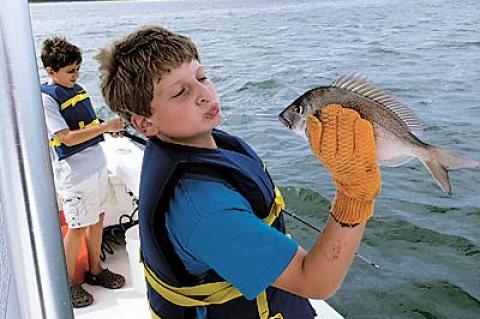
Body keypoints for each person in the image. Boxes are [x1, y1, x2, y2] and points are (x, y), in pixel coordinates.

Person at [95, 26, 381, 319]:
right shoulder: (205, 212)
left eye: (201, 76)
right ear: (144, 125)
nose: (204, 93)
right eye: (181, 92)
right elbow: (316, 282)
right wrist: (353, 193)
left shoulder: (200, 143)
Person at [40, 36, 126, 308]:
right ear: (50, 71)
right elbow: (66, 138)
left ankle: (96, 270)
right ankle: (69, 285)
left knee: (98, 219)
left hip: (97, 165)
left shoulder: (76, 89)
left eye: (77, 69)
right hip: (76, 176)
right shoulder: (46, 99)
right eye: (70, 71)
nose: (75, 76)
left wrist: (109, 126)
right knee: (77, 228)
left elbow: (88, 123)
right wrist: (104, 128)